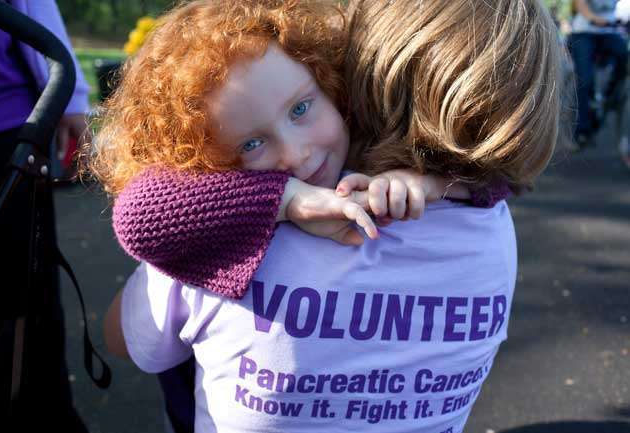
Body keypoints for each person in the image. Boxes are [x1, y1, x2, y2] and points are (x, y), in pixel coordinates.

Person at [90, 0, 564, 432]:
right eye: (252, 143)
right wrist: (440, 182)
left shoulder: (216, 240)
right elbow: (501, 180)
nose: (296, 155)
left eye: (301, 107)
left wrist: (275, 199)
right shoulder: (493, 228)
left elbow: (127, 336)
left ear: (345, 80)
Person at [0, 0, 91, 431]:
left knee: (25, 297)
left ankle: (37, 413)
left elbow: (35, 10)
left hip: (8, 140)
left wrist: (73, 100)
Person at [569, 0, 628, 149]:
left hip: (609, 32)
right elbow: (579, 4)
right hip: (584, 32)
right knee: (585, 81)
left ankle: (611, 94)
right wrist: (593, 18)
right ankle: (581, 131)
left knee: (623, 54)